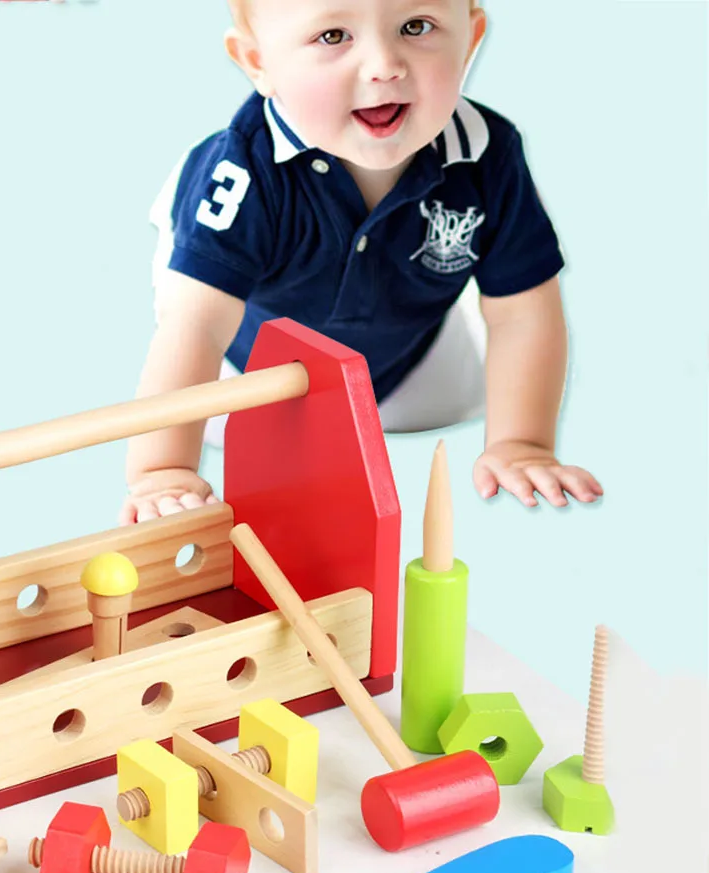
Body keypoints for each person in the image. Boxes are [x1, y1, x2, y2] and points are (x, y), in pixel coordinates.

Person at [120, 0, 602, 526]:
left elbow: (521, 312)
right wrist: (163, 471)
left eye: (416, 26)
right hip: (246, 373)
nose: (384, 66)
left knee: (459, 406)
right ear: (258, 62)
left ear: (470, 39)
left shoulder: (488, 153)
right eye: (333, 36)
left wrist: (522, 442)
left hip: (414, 360)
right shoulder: (243, 170)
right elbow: (197, 327)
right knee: (191, 321)